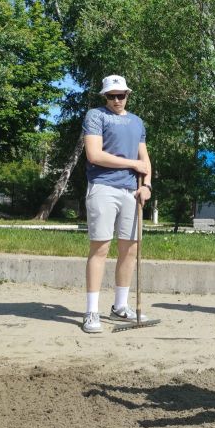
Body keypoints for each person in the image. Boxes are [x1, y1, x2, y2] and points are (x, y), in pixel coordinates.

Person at [81, 75, 152, 333]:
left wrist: (147, 185)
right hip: (103, 187)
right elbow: (94, 154)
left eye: (121, 95)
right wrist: (133, 164)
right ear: (105, 97)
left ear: (127, 95)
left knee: (129, 249)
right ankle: (91, 311)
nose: (116, 100)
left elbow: (145, 158)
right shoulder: (95, 116)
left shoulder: (137, 122)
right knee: (100, 247)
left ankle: (120, 306)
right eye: (111, 96)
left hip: (131, 191)